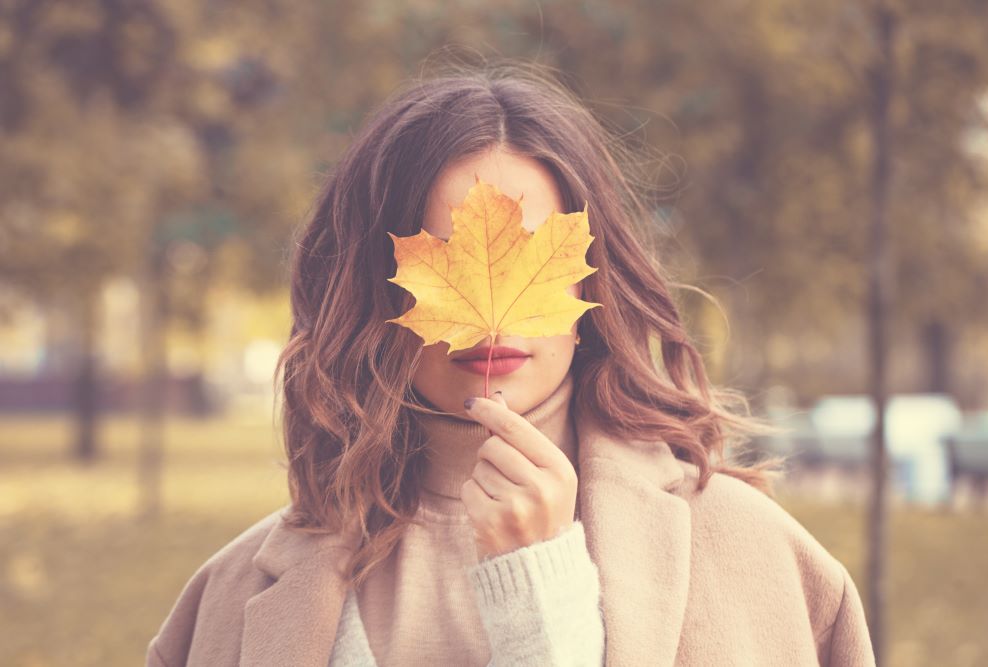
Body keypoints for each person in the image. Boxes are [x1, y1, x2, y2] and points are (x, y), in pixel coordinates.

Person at [146, 61, 877, 667]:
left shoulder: (759, 558)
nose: (488, 304)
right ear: (374, 286)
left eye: (533, 256)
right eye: (442, 260)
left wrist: (539, 597)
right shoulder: (228, 598)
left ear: (593, 276)